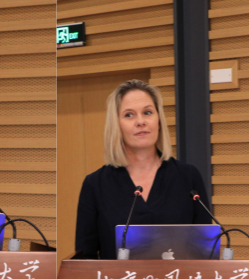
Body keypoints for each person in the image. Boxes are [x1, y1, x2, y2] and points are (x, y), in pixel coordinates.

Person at [75, 79, 211, 259]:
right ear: (117, 125)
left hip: (178, 277)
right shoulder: (95, 184)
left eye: (147, 112)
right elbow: (85, 257)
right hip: (118, 278)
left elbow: (205, 251)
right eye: (129, 115)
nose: (141, 122)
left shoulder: (188, 177)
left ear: (159, 120)